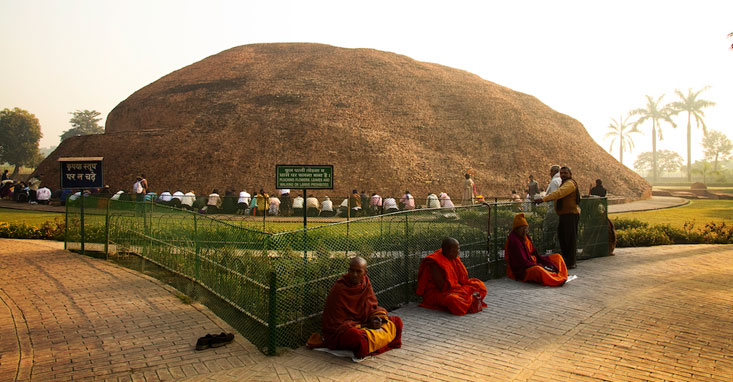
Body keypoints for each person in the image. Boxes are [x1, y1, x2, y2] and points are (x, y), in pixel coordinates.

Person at [317, 257, 403, 361]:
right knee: (356, 337)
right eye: (352, 270)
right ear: (348, 270)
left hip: (364, 322)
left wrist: (375, 319)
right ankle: (374, 345)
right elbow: (336, 325)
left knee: (397, 322)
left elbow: (371, 306)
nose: (354, 274)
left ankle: (371, 345)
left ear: (365, 272)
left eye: (358, 271)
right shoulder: (340, 288)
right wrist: (365, 325)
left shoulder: (365, 283)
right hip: (345, 330)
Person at [416, 237, 487, 315]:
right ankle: (471, 300)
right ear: (449, 251)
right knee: (453, 300)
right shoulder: (434, 262)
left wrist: (462, 290)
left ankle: (469, 300)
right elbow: (442, 287)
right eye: (457, 249)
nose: (459, 252)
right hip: (438, 293)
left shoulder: (453, 257)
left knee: (480, 286)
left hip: (456, 287)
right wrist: (461, 291)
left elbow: (462, 279)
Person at [535, 166, 580, 269]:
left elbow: (559, 193)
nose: (563, 175)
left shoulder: (569, 184)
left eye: (565, 173)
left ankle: (571, 262)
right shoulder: (563, 183)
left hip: (570, 215)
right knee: (563, 238)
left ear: (570, 174)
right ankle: (566, 260)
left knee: (570, 239)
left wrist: (543, 199)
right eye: (562, 173)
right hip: (564, 215)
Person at [505, 213, 568, 286]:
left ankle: (562, 275)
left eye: (526, 228)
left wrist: (540, 261)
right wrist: (536, 263)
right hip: (523, 269)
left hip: (532, 261)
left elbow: (535, 253)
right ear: (517, 229)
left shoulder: (525, 237)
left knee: (557, 257)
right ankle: (555, 280)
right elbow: (521, 262)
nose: (525, 230)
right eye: (523, 229)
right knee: (538, 269)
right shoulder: (514, 241)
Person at [542, 165, 562, 254]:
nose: (550, 173)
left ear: (554, 171)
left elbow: (554, 196)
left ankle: (548, 249)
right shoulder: (561, 180)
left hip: (554, 209)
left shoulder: (554, 182)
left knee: (548, 229)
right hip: (561, 210)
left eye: (551, 171)